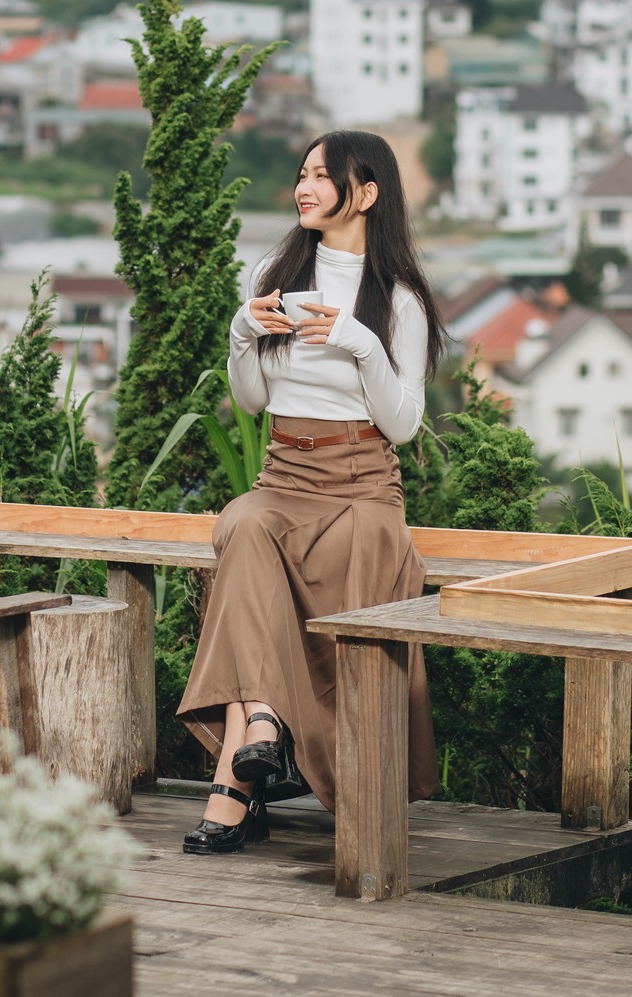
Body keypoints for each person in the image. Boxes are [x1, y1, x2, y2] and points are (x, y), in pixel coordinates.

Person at [177, 129, 444, 854]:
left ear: (366, 193)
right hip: (285, 475)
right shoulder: (273, 270)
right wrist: (241, 331)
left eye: (322, 176)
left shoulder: (400, 300)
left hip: (363, 484)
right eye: (301, 173)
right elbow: (252, 402)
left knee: (364, 544)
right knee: (242, 524)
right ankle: (262, 721)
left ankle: (240, 779)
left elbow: (405, 424)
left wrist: (358, 340)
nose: (304, 186)